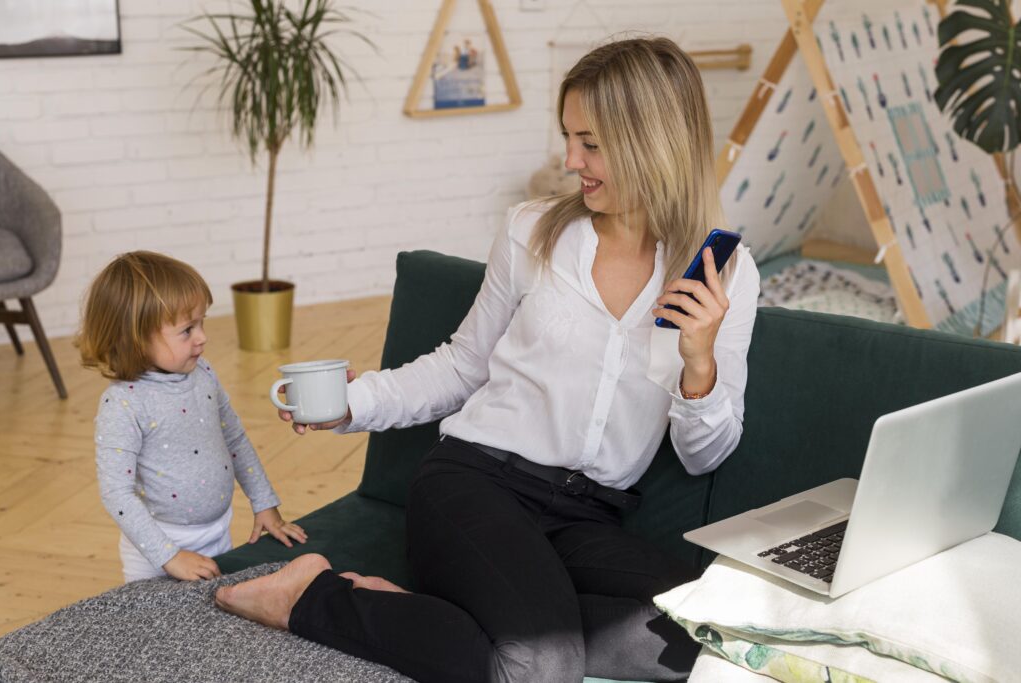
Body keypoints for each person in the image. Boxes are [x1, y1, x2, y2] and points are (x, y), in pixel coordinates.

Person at [215, 37, 760, 682]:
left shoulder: (725, 274)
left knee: (711, 633)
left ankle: (435, 615)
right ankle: (311, 599)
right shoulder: (534, 231)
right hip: (477, 485)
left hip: (588, 515)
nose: (570, 161)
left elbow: (704, 456)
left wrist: (699, 364)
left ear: (654, 141)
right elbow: (461, 367)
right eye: (568, 137)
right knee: (540, 667)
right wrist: (351, 404)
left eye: (590, 143)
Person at [78, 251, 307, 583]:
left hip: (217, 532)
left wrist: (264, 503)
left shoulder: (204, 373)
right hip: (156, 548)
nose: (202, 337)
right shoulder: (123, 404)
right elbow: (117, 493)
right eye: (187, 330)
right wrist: (169, 556)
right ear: (136, 340)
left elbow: (235, 439)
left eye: (201, 323)